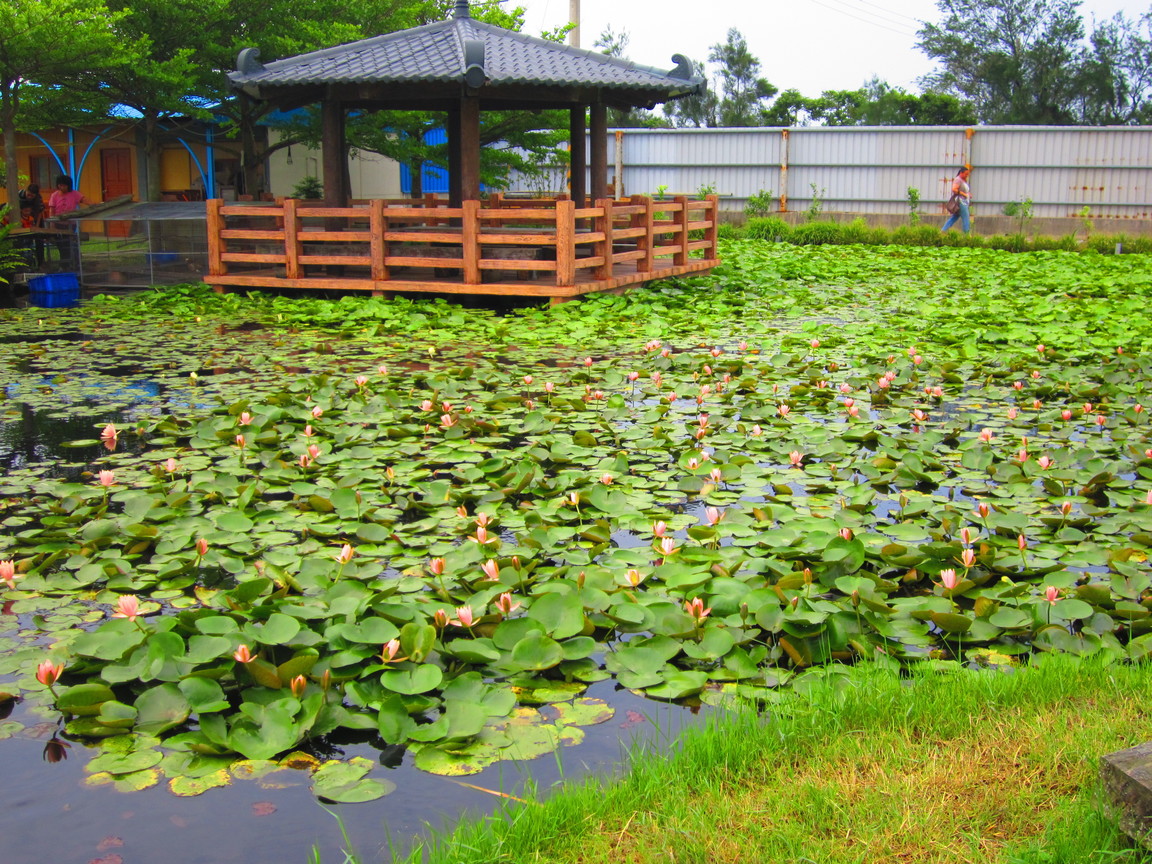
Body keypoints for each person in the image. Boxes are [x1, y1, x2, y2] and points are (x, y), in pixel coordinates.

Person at [47, 175, 90, 268]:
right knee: (61, 245)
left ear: (68, 185)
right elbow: (52, 209)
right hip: (58, 223)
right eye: (60, 185)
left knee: (68, 244)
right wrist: (52, 224)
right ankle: (65, 264)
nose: (61, 187)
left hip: (70, 224)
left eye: (64, 185)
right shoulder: (54, 195)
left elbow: (84, 200)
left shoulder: (75, 194)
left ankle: (70, 263)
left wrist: (94, 205)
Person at [941, 166, 971, 233]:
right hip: (961, 202)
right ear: (961, 173)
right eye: (966, 174)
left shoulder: (963, 180)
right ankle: (967, 235)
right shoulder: (958, 180)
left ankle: (943, 231)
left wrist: (968, 194)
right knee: (966, 218)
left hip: (964, 201)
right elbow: (954, 189)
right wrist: (963, 194)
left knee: (954, 217)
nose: (967, 175)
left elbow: (964, 190)